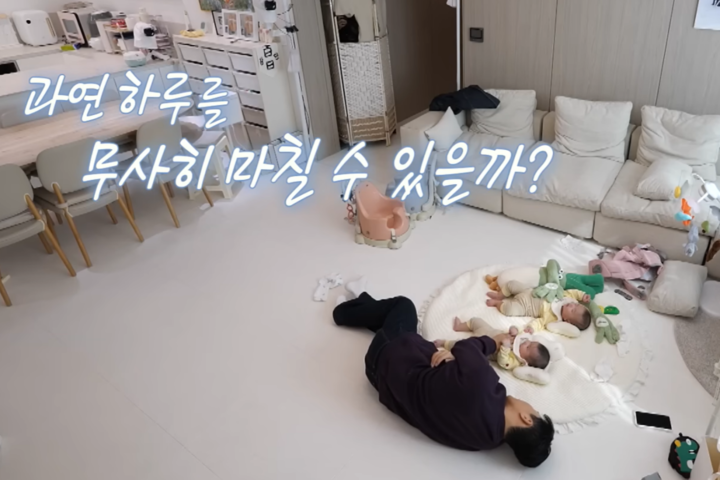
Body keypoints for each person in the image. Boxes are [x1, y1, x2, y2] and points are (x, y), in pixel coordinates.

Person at [333, 283, 554, 468]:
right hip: (383, 384)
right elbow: (454, 395)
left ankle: (343, 312)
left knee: (404, 306)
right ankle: (366, 305)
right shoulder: (487, 441)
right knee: (396, 323)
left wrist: (493, 342)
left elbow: (466, 347)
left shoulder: (482, 384)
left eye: (533, 411)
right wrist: (454, 364)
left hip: (388, 357)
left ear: (526, 419)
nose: (530, 406)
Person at [435, 318, 550, 371]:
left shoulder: (515, 360)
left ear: (525, 361)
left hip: (484, 347)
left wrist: (505, 348)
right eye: (531, 342)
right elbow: (518, 329)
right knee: (477, 321)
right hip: (489, 331)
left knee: (464, 347)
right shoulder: (522, 339)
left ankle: (445, 343)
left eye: (528, 347)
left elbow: (503, 362)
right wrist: (514, 329)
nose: (527, 343)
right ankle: (460, 326)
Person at [486, 288, 592, 335]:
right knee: (512, 285)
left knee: (509, 309)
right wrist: (582, 295)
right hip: (530, 291)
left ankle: (497, 303)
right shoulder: (567, 297)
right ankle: (499, 295)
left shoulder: (553, 318)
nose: (572, 305)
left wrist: (531, 328)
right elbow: (574, 292)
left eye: (572, 310)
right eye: (576, 305)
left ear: (567, 320)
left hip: (526, 306)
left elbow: (540, 323)